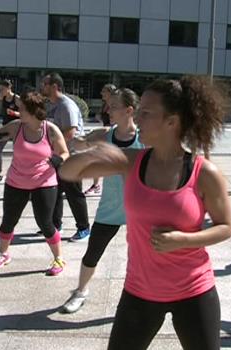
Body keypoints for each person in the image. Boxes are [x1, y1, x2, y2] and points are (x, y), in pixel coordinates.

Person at [60, 76, 231, 350]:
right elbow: (68, 171)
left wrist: (183, 240)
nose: (137, 118)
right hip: (140, 291)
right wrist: (98, 150)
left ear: (171, 121)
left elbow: (226, 227)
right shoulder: (130, 162)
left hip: (194, 291)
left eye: (146, 112)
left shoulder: (203, 173)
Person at [61, 88, 144, 314]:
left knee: (143, 258)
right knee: (92, 253)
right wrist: (80, 142)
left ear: (129, 110)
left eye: (114, 106)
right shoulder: (105, 134)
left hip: (140, 210)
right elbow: (81, 144)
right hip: (109, 209)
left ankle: (142, 298)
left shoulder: (145, 138)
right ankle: (80, 292)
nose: (108, 110)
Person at [0, 92, 69, 275]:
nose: (18, 111)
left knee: (45, 223)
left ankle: (59, 259)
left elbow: (65, 153)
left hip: (44, 182)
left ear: (32, 111)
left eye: (22, 109)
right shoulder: (17, 127)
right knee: (8, 221)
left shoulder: (50, 130)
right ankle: (3, 254)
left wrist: (56, 161)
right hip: (16, 181)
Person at [41, 73, 91, 242]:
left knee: (74, 193)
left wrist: (48, 144)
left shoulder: (66, 105)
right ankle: (55, 226)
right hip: (60, 155)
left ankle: (84, 228)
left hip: (72, 157)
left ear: (54, 86)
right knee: (55, 192)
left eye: (45, 83)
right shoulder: (53, 105)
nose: (42, 86)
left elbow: (70, 133)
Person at [84, 84, 118, 196]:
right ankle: (96, 185)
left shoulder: (116, 104)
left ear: (110, 92)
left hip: (113, 135)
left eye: (104, 91)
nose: (101, 93)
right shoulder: (105, 104)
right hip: (106, 135)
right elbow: (101, 117)